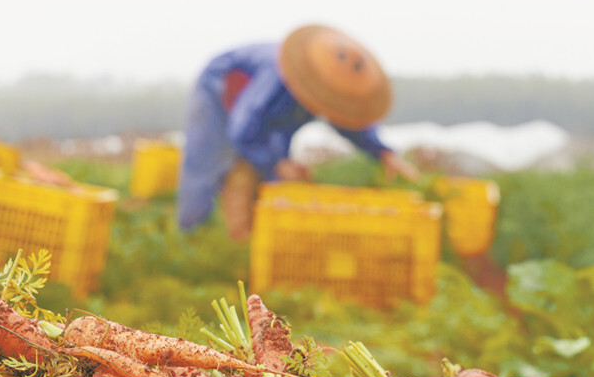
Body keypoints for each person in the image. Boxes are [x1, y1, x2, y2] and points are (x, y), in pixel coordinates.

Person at [177, 24, 420, 241]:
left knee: (272, 179)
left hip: (265, 119)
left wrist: (383, 152)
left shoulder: (321, 91)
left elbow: (347, 123)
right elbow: (243, 129)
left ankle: (257, 242)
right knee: (208, 163)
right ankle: (192, 237)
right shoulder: (275, 76)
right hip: (220, 91)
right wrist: (275, 163)